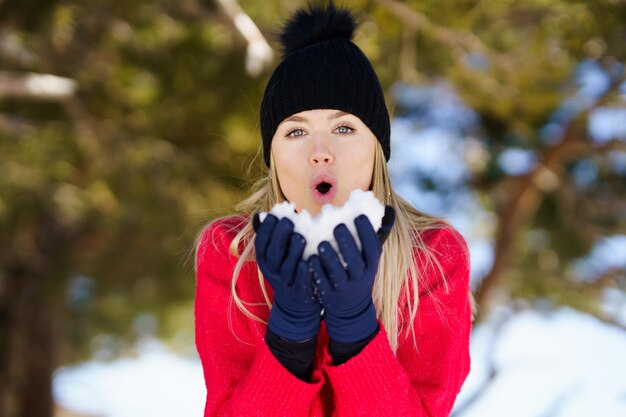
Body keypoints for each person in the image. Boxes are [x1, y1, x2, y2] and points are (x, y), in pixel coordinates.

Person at [194, 2, 473, 416]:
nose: (320, 153)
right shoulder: (232, 253)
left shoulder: (433, 256)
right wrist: (290, 333)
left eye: (344, 128)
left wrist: (355, 327)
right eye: (296, 131)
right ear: (272, 154)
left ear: (376, 147)